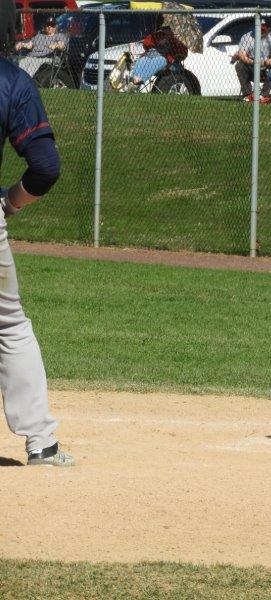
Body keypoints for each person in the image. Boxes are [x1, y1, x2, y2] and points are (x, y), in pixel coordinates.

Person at [0, 0, 73, 467]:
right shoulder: (12, 81)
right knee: (9, 325)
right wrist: (10, 203)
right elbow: (45, 168)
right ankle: (41, 443)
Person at [128, 20, 188, 89]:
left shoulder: (177, 37)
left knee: (156, 62)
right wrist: (156, 39)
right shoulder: (158, 34)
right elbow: (146, 44)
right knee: (142, 60)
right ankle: (134, 79)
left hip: (165, 57)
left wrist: (173, 42)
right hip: (151, 53)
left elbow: (182, 53)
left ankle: (138, 81)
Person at [234, 20, 271, 102]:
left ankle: (263, 96)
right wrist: (254, 62)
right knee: (239, 65)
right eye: (259, 28)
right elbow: (242, 55)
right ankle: (248, 95)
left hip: (266, 67)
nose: (261, 30)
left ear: (267, 28)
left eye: (263, 28)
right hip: (251, 65)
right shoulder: (247, 37)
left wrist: (270, 61)